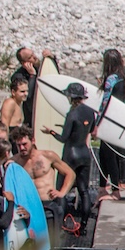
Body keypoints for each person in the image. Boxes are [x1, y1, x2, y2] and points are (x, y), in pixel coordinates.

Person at [42, 83, 95, 233]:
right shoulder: (90, 112)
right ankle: (83, 226)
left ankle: (60, 225)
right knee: (84, 191)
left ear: (71, 97)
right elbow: (91, 130)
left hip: (71, 154)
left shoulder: (72, 114)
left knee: (62, 190)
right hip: (84, 153)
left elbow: (63, 138)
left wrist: (51, 132)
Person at [11, 126, 75, 232]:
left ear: (33, 141)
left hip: (47, 205)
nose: (22, 148)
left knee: (52, 239)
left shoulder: (47, 156)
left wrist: (62, 192)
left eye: (24, 144)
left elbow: (70, 173)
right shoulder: (14, 162)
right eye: (19, 145)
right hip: (28, 207)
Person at [97, 49, 125, 195]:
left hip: (111, 117)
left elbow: (105, 102)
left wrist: (97, 122)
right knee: (122, 147)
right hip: (124, 114)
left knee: (106, 151)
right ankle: (123, 180)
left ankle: (111, 185)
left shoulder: (111, 79)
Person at [7, 46, 54, 129]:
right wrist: (32, 75)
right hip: (32, 115)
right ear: (24, 63)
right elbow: (27, 95)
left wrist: (51, 58)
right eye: (30, 57)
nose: (35, 57)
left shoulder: (39, 67)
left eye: (33, 54)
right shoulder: (18, 76)